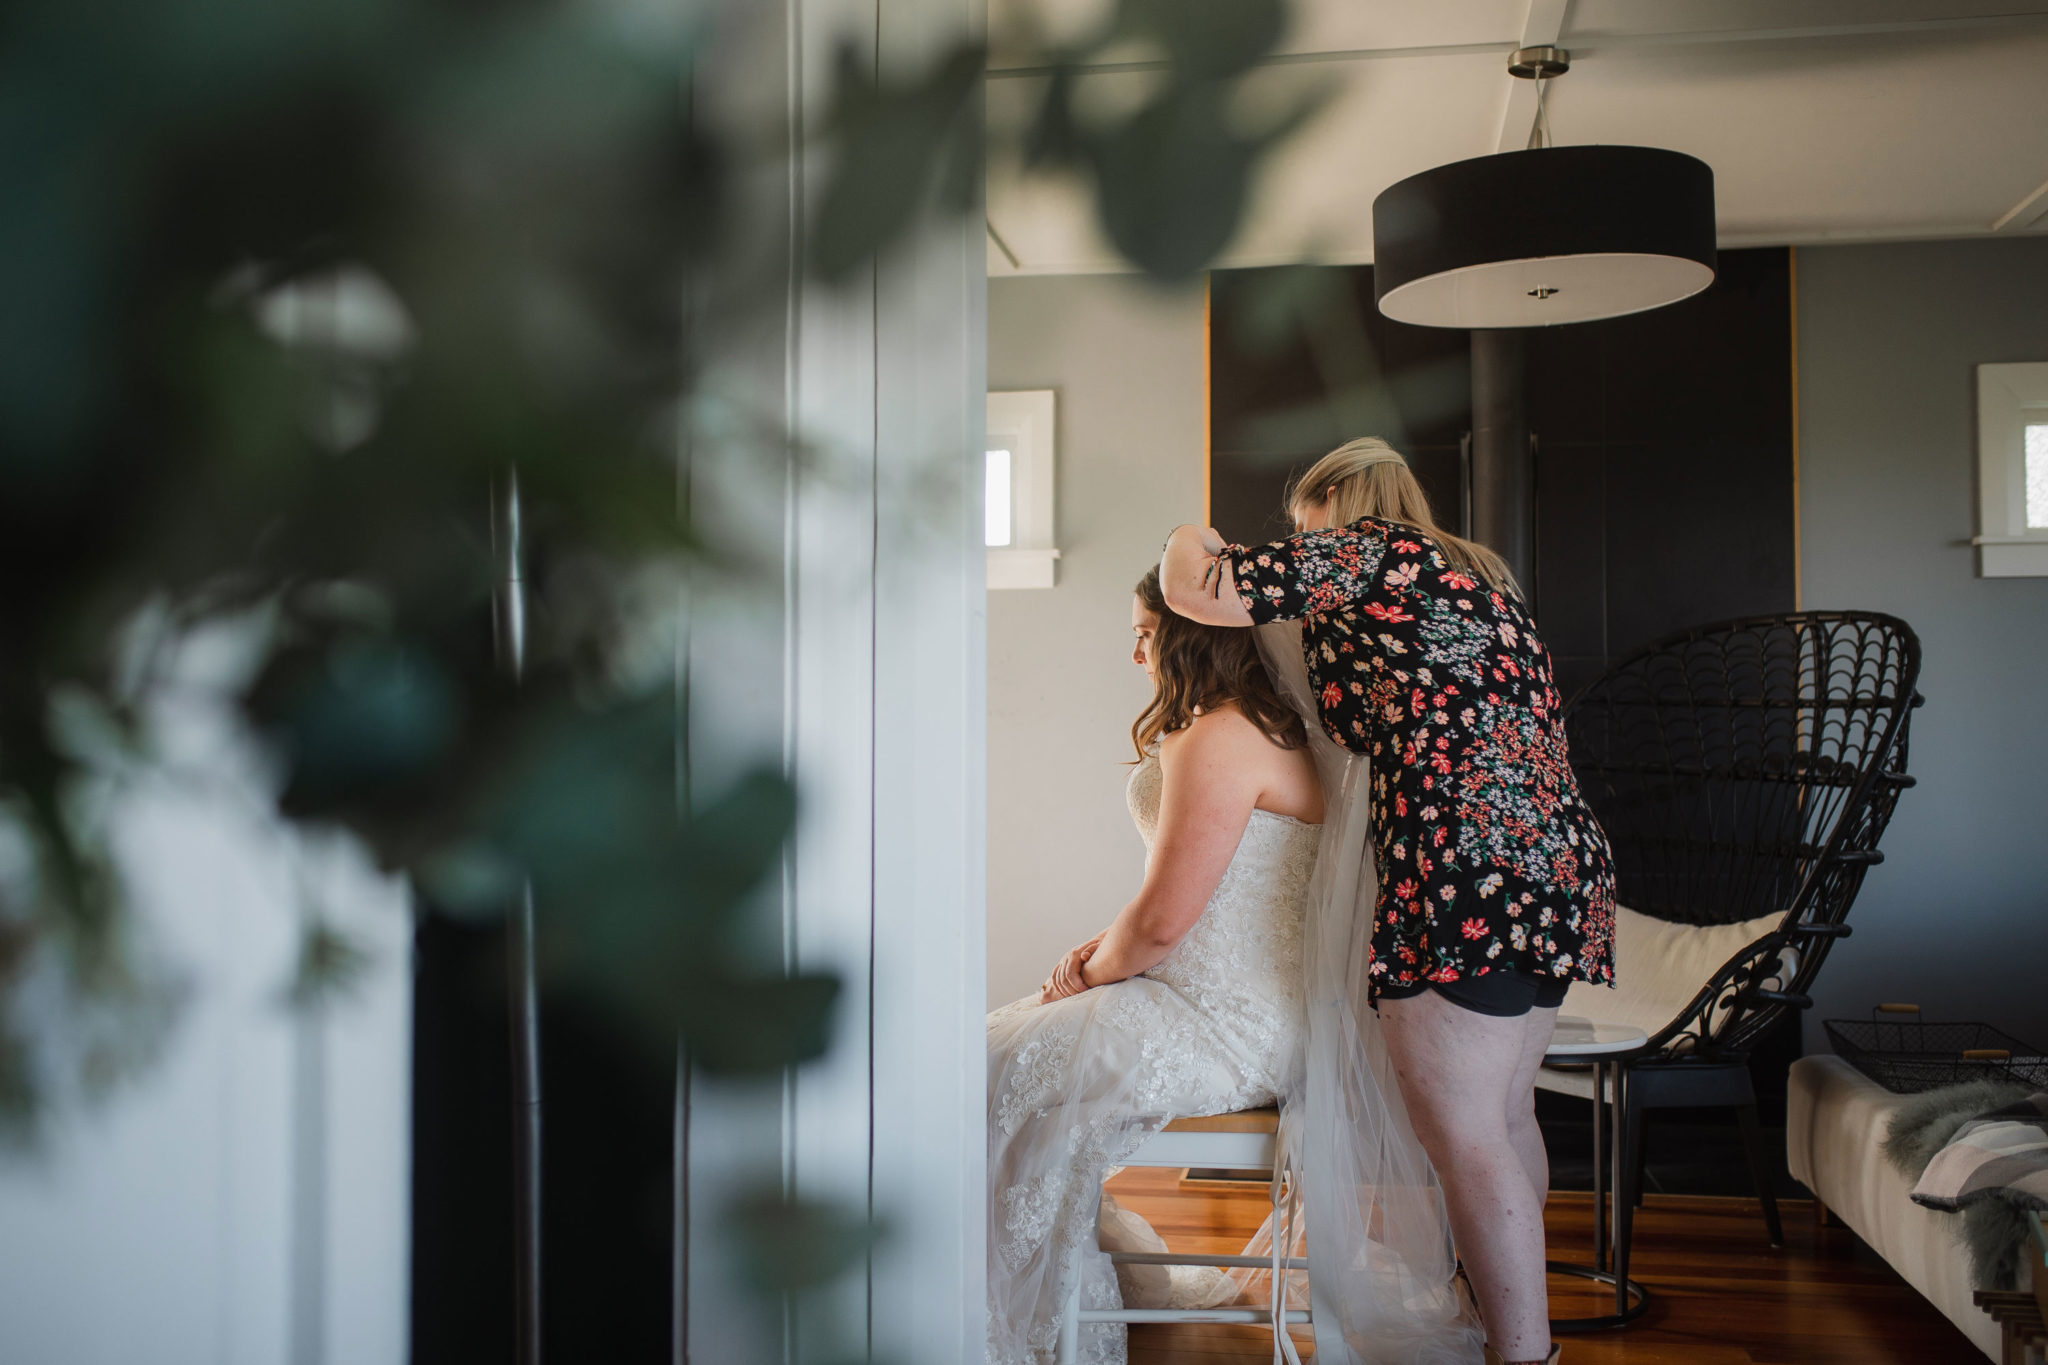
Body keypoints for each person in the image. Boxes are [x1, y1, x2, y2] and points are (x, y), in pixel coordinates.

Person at [1161, 436, 1618, 1365]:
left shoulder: (1370, 549)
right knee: (1505, 1115)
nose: (1302, 549)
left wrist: (1190, 528)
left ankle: (1523, 1354)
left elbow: (1194, 585)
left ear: (1334, 501)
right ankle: (1517, 1332)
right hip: (1556, 856)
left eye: (1301, 529)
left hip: (1463, 859)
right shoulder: (1478, 576)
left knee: (1461, 1130)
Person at [986, 568, 1324, 1365]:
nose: (1135, 647)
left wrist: (1094, 970)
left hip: (1222, 1017)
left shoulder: (1221, 736)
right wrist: (1106, 950)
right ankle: (1047, 1290)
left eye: (1146, 629)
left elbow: (1167, 920)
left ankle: (1017, 1320)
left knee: (992, 1064)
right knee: (1000, 1049)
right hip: (1220, 999)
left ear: (1192, 632)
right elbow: (1201, 898)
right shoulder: (1266, 729)